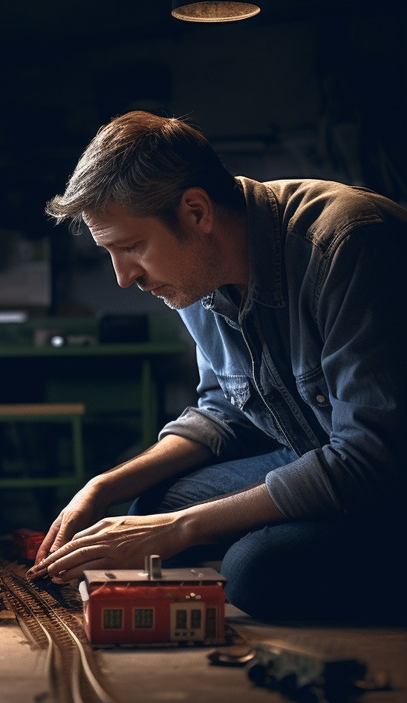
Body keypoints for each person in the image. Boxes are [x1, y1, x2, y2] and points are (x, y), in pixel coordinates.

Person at [27, 110, 407, 622]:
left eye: (132, 247)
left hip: (385, 474)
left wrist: (184, 529)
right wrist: (104, 486)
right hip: (321, 453)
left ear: (196, 212)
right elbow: (224, 412)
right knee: (150, 507)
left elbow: (370, 459)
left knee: (256, 569)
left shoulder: (349, 244)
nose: (123, 278)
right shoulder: (193, 276)